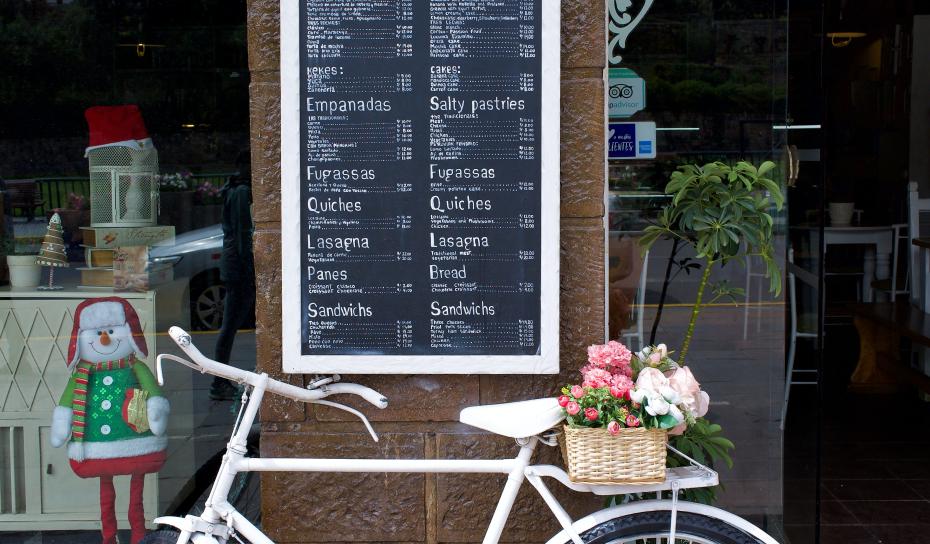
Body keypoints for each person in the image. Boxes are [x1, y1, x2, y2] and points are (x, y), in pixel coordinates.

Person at [210, 150, 256, 400]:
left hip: (237, 265)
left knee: (231, 326)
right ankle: (218, 384)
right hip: (239, 267)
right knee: (229, 327)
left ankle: (220, 382)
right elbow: (242, 234)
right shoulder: (240, 192)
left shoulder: (236, 188)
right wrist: (251, 268)